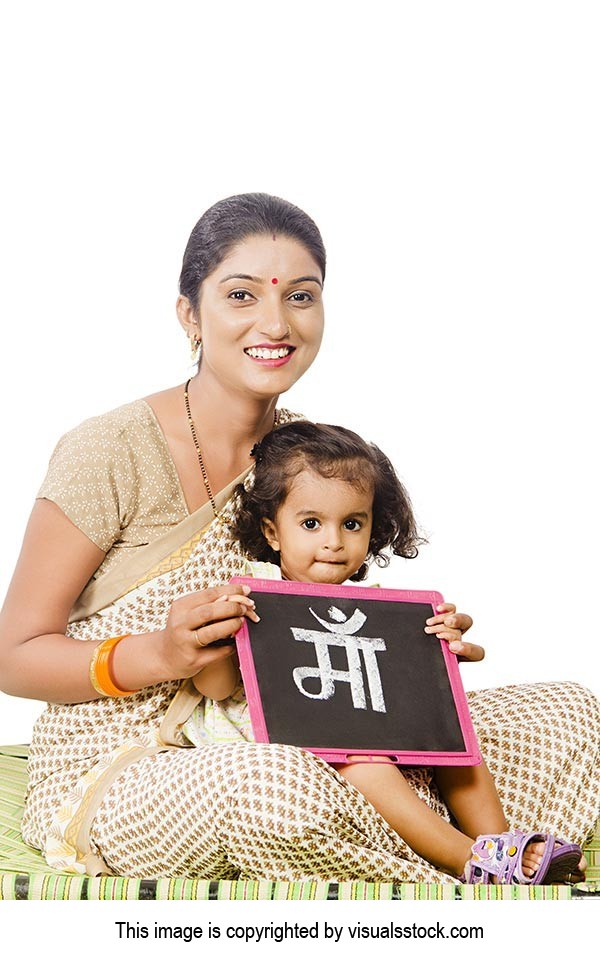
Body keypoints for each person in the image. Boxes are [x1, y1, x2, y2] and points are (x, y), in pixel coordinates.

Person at [0, 193, 596, 882]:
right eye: (241, 295)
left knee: (568, 714)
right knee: (278, 791)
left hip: (313, 731)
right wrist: (158, 654)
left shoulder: (308, 454)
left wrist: (414, 657)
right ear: (190, 314)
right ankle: (463, 859)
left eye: (302, 297)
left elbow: (321, 613)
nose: (275, 322)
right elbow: (14, 656)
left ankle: (457, 847)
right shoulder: (110, 449)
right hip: (139, 763)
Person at [181, 420, 584, 884]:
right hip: (288, 737)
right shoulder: (253, 593)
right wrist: (219, 638)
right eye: (311, 524)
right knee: (365, 764)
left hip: (366, 721)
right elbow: (213, 687)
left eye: (352, 524)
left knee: (450, 738)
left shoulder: (373, 605)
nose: (333, 541)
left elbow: (401, 688)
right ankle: (469, 859)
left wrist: (434, 650)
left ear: (372, 529)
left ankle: (502, 844)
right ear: (273, 533)